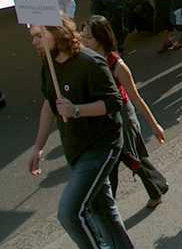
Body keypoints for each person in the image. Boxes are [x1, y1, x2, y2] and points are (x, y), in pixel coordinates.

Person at [28, 18, 134, 248]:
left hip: (101, 146)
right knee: (101, 209)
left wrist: (76, 110)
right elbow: (49, 104)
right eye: (33, 37)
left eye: (39, 35)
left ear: (57, 32)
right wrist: (38, 146)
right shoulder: (49, 63)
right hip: (76, 148)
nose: (35, 42)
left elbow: (113, 102)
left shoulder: (90, 62)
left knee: (69, 213)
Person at [81, 16, 169, 209]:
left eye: (88, 37)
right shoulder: (87, 60)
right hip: (103, 119)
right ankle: (156, 188)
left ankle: (109, 207)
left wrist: (155, 126)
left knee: (129, 159)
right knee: (120, 161)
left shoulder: (118, 66)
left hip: (122, 119)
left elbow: (136, 98)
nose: (82, 40)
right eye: (82, 35)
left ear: (100, 38)